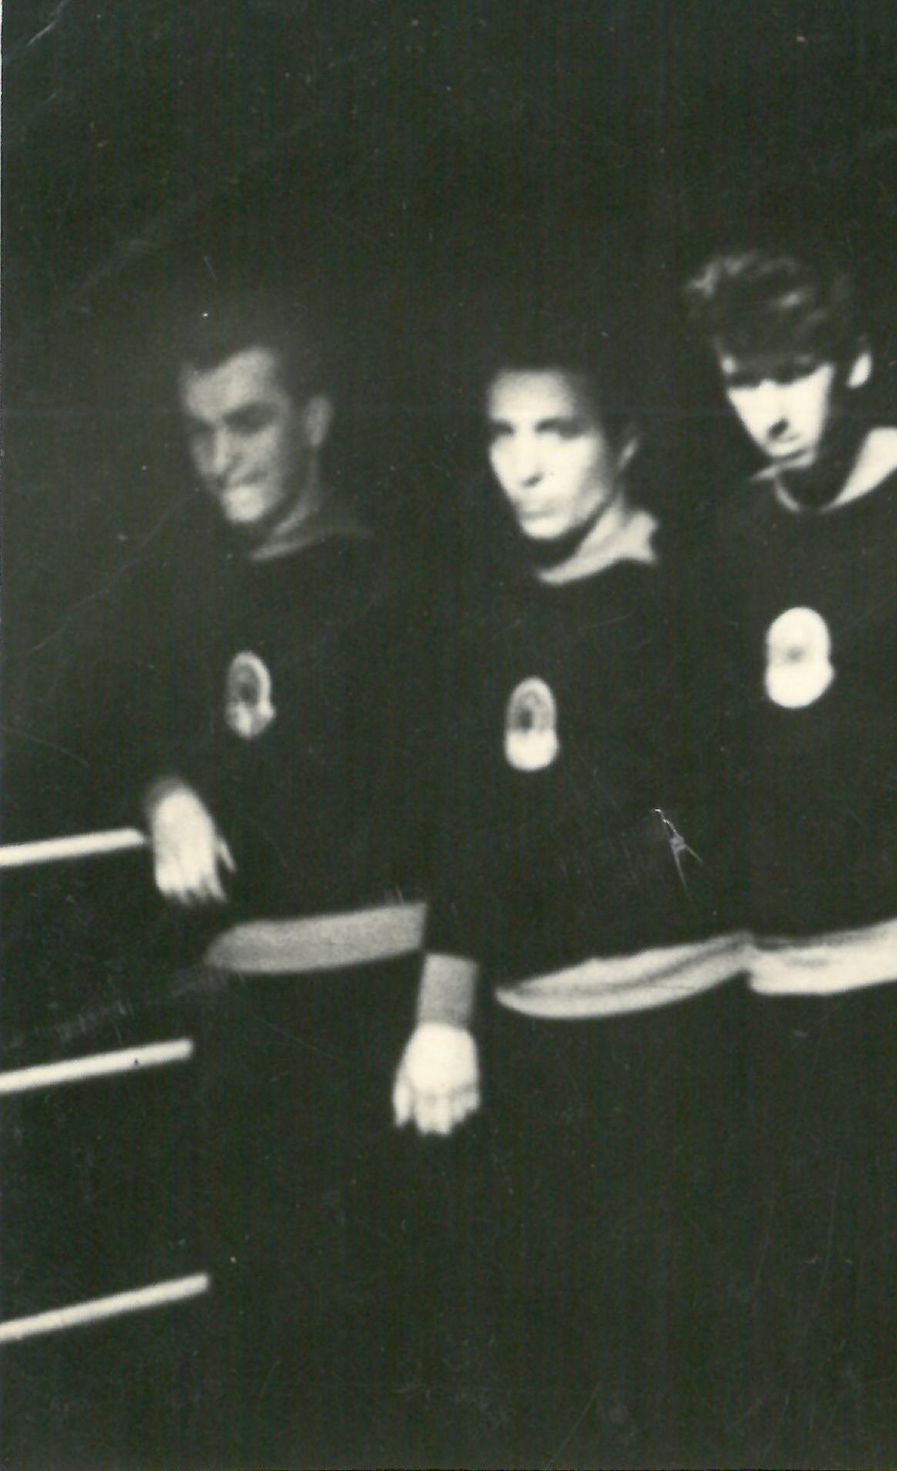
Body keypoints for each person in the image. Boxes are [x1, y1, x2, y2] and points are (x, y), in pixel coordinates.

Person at [388, 319, 743, 1464]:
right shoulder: (494, 611)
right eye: (502, 435)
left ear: (626, 440)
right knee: (563, 1387)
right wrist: (443, 1013)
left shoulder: (691, 591)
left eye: (559, 431)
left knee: (686, 1386)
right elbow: (474, 830)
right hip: (538, 1049)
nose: (525, 466)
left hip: (679, 1041)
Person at [682, 243, 897, 1465]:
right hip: (790, 994)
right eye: (742, 379)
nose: (769, 405)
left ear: (855, 364)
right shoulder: (731, 536)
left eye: (793, 371)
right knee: (826, 1337)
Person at [146, 293, 433, 1464]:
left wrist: (443, 1013)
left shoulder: (396, 583)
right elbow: (149, 735)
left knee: (393, 1359)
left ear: (315, 418)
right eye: (199, 430)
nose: (220, 458)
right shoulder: (199, 591)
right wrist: (166, 794)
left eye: (248, 422)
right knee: (266, 1359)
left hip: (379, 1020)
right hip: (251, 1036)